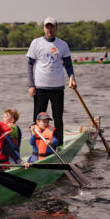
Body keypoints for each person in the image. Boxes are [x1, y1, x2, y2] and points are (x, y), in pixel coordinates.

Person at [27, 17, 77, 146]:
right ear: (44, 28)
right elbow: (29, 65)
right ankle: (37, 146)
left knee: (58, 118)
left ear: (56, 28)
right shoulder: (36, 43)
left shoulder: (63, 45)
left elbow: (68, 65)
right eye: (47, 27)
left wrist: (72, 78)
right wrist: (31, 85)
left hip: (58, 88)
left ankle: (59, 144)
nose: (49, 29)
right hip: (40, 88)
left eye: (52, 27)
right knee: (37, 120)